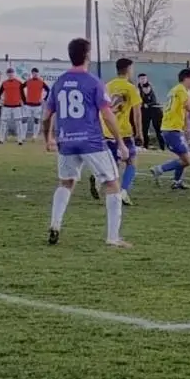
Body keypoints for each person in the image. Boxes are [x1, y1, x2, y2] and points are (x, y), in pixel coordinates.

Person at [42, 38, 130, 248]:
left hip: (66, 141)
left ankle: (55, 224)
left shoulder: (60, 81)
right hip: (91, 141)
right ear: (88, 55)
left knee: (66, 183)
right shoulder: (93, 82)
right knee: (112, 184)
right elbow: (108, 115)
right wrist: (120, 142)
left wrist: (48, 139)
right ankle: (112, 237)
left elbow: (46, 115)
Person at [91, 58, 142, 204]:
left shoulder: (107, 86)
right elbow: (137, 113)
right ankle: (123, 191)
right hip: (123, 131)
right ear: (128, 69)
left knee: (113, 162)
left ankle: (98, 177)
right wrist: (139, 133)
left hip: (107, 130)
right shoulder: (131, 88)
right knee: (131, 161)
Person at [150, 69, 190, 190]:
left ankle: (177, 181)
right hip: (171, 129)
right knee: (187, 160)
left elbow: (183, 109)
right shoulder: (181, 90)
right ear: (186, 79)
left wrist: (186, 126)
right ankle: (159, 169)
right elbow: (187, 106)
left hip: (173, 128)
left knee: (183, 157)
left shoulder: (177, 90)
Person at [137, 73, 165, 151]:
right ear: (139, 80)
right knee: (144, 129)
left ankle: (162, 147)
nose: (143, 80)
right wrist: (143, 105)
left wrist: (147, 104)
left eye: (144, 78)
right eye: (141, 79)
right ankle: (144, 146)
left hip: (154, 111)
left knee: (158, 130)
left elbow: (154, 101)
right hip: (144, 112)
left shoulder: (150, 87)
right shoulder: (137, 89)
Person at [0, 68, 25, 145]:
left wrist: (23, 101)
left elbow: (23, 93)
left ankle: (20, 140)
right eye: (9, 73)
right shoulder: (4, 83)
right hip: (6, 106)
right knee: (3, 123)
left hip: (17, 106)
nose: (10, 75)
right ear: (7, 74)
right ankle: (1, 139)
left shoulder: (19, 82)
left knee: (18, 123)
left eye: (12, 73)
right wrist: (0, 100)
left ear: (14, 74)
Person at [22, 68, 50, 144]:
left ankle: (34, 136)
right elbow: (21, 87)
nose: (35, 74)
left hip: (37, 105)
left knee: (36, 121)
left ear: (38, 74)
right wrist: (24, 99)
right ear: (32, 73)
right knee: (24, 120)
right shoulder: (28, 81)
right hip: (28, 104)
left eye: (36, 73)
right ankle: (23, 136)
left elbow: (48, 90)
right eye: (34, 73)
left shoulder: (41, 82)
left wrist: (44, 99)